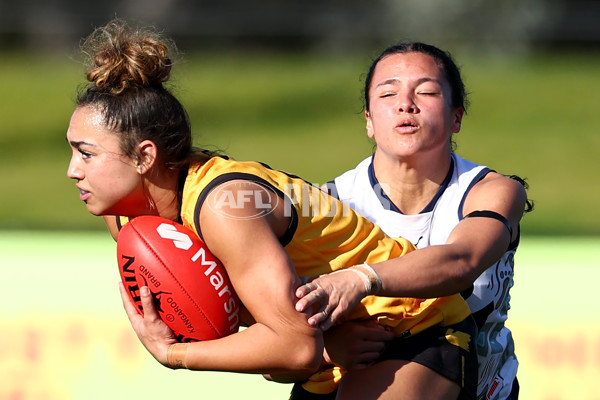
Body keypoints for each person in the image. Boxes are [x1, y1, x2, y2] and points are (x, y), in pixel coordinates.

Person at [66, 20, 478, 399]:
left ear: (144, 157)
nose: (72, 171)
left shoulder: (224, 207)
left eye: (86, 154)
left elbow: (293, 347)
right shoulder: (125, 217)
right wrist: (324, 351)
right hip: (331, 350)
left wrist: (176, 355)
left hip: (411, 325)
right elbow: (285, 349)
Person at [294, 43, 533, 400]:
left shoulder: (493, 191)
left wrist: (361, 279)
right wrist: (324, 347)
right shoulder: (327, 203)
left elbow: (461, 260)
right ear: (369, 122)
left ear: (456, 117)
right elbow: (280, 340)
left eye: (427, 91)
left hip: (476, 386)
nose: (406, 103)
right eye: (388, 93)